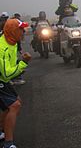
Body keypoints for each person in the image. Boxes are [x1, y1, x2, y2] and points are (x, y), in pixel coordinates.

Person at [0, 19, 31, 148]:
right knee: (14, 105)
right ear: (13, 31)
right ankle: (8, 143)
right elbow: (6, 73)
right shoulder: (2, 47)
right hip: (2, 79)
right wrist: (23, 63)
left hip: (3, 80)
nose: (23, 32)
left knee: (14, 102)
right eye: (21, 29)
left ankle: (2, 130)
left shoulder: (12, 42)